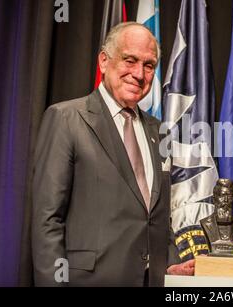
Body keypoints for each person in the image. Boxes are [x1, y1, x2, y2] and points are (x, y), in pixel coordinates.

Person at [32, 22, 194, 286]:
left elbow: (159, 220)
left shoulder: (160, 132)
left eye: (149, 65)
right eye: (130, 60)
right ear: (104, 61)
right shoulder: (66, 119)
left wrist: (173, 266)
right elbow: (48, 221)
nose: (139, 74)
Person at [200, 179, 233, 257]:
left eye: (229, 196)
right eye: (222, 196)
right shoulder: (205, 223)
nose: (226, 200)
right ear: (214, 199)